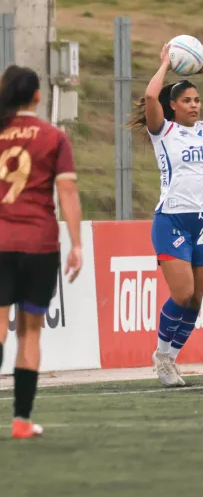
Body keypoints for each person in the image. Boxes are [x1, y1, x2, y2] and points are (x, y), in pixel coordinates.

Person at [129, 44, 203, 387]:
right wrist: (165, 63)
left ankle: (172, 359)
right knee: (181, 294)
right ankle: (162, 356)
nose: (195, 105)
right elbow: (151, 97)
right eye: (187, 101)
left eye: (197, 100)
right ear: (174, 106)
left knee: (195, 300)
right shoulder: (163, 131)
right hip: (172, 220)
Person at [0, 65, 82, 439]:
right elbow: (67, 191)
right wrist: (77, 244)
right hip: (39, 244)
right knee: (29, 333)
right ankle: (21, 421)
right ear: (37, 96)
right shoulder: (53, 137)